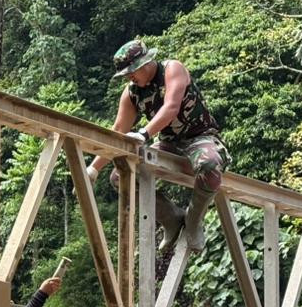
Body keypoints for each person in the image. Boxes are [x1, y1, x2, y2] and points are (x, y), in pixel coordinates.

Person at [86, 39, 228, 253]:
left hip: (200, 137)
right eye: (126, 74)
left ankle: (193, 221)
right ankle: (171, 219)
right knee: (120, 177)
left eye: (132, 71)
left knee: (210, 164)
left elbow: (171, 106)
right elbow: (119, 130)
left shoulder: (172, 69)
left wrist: (144, 133)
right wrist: (94, 168)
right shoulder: (132, 92)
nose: (129, 77)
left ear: (146, 63)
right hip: (170, 143)